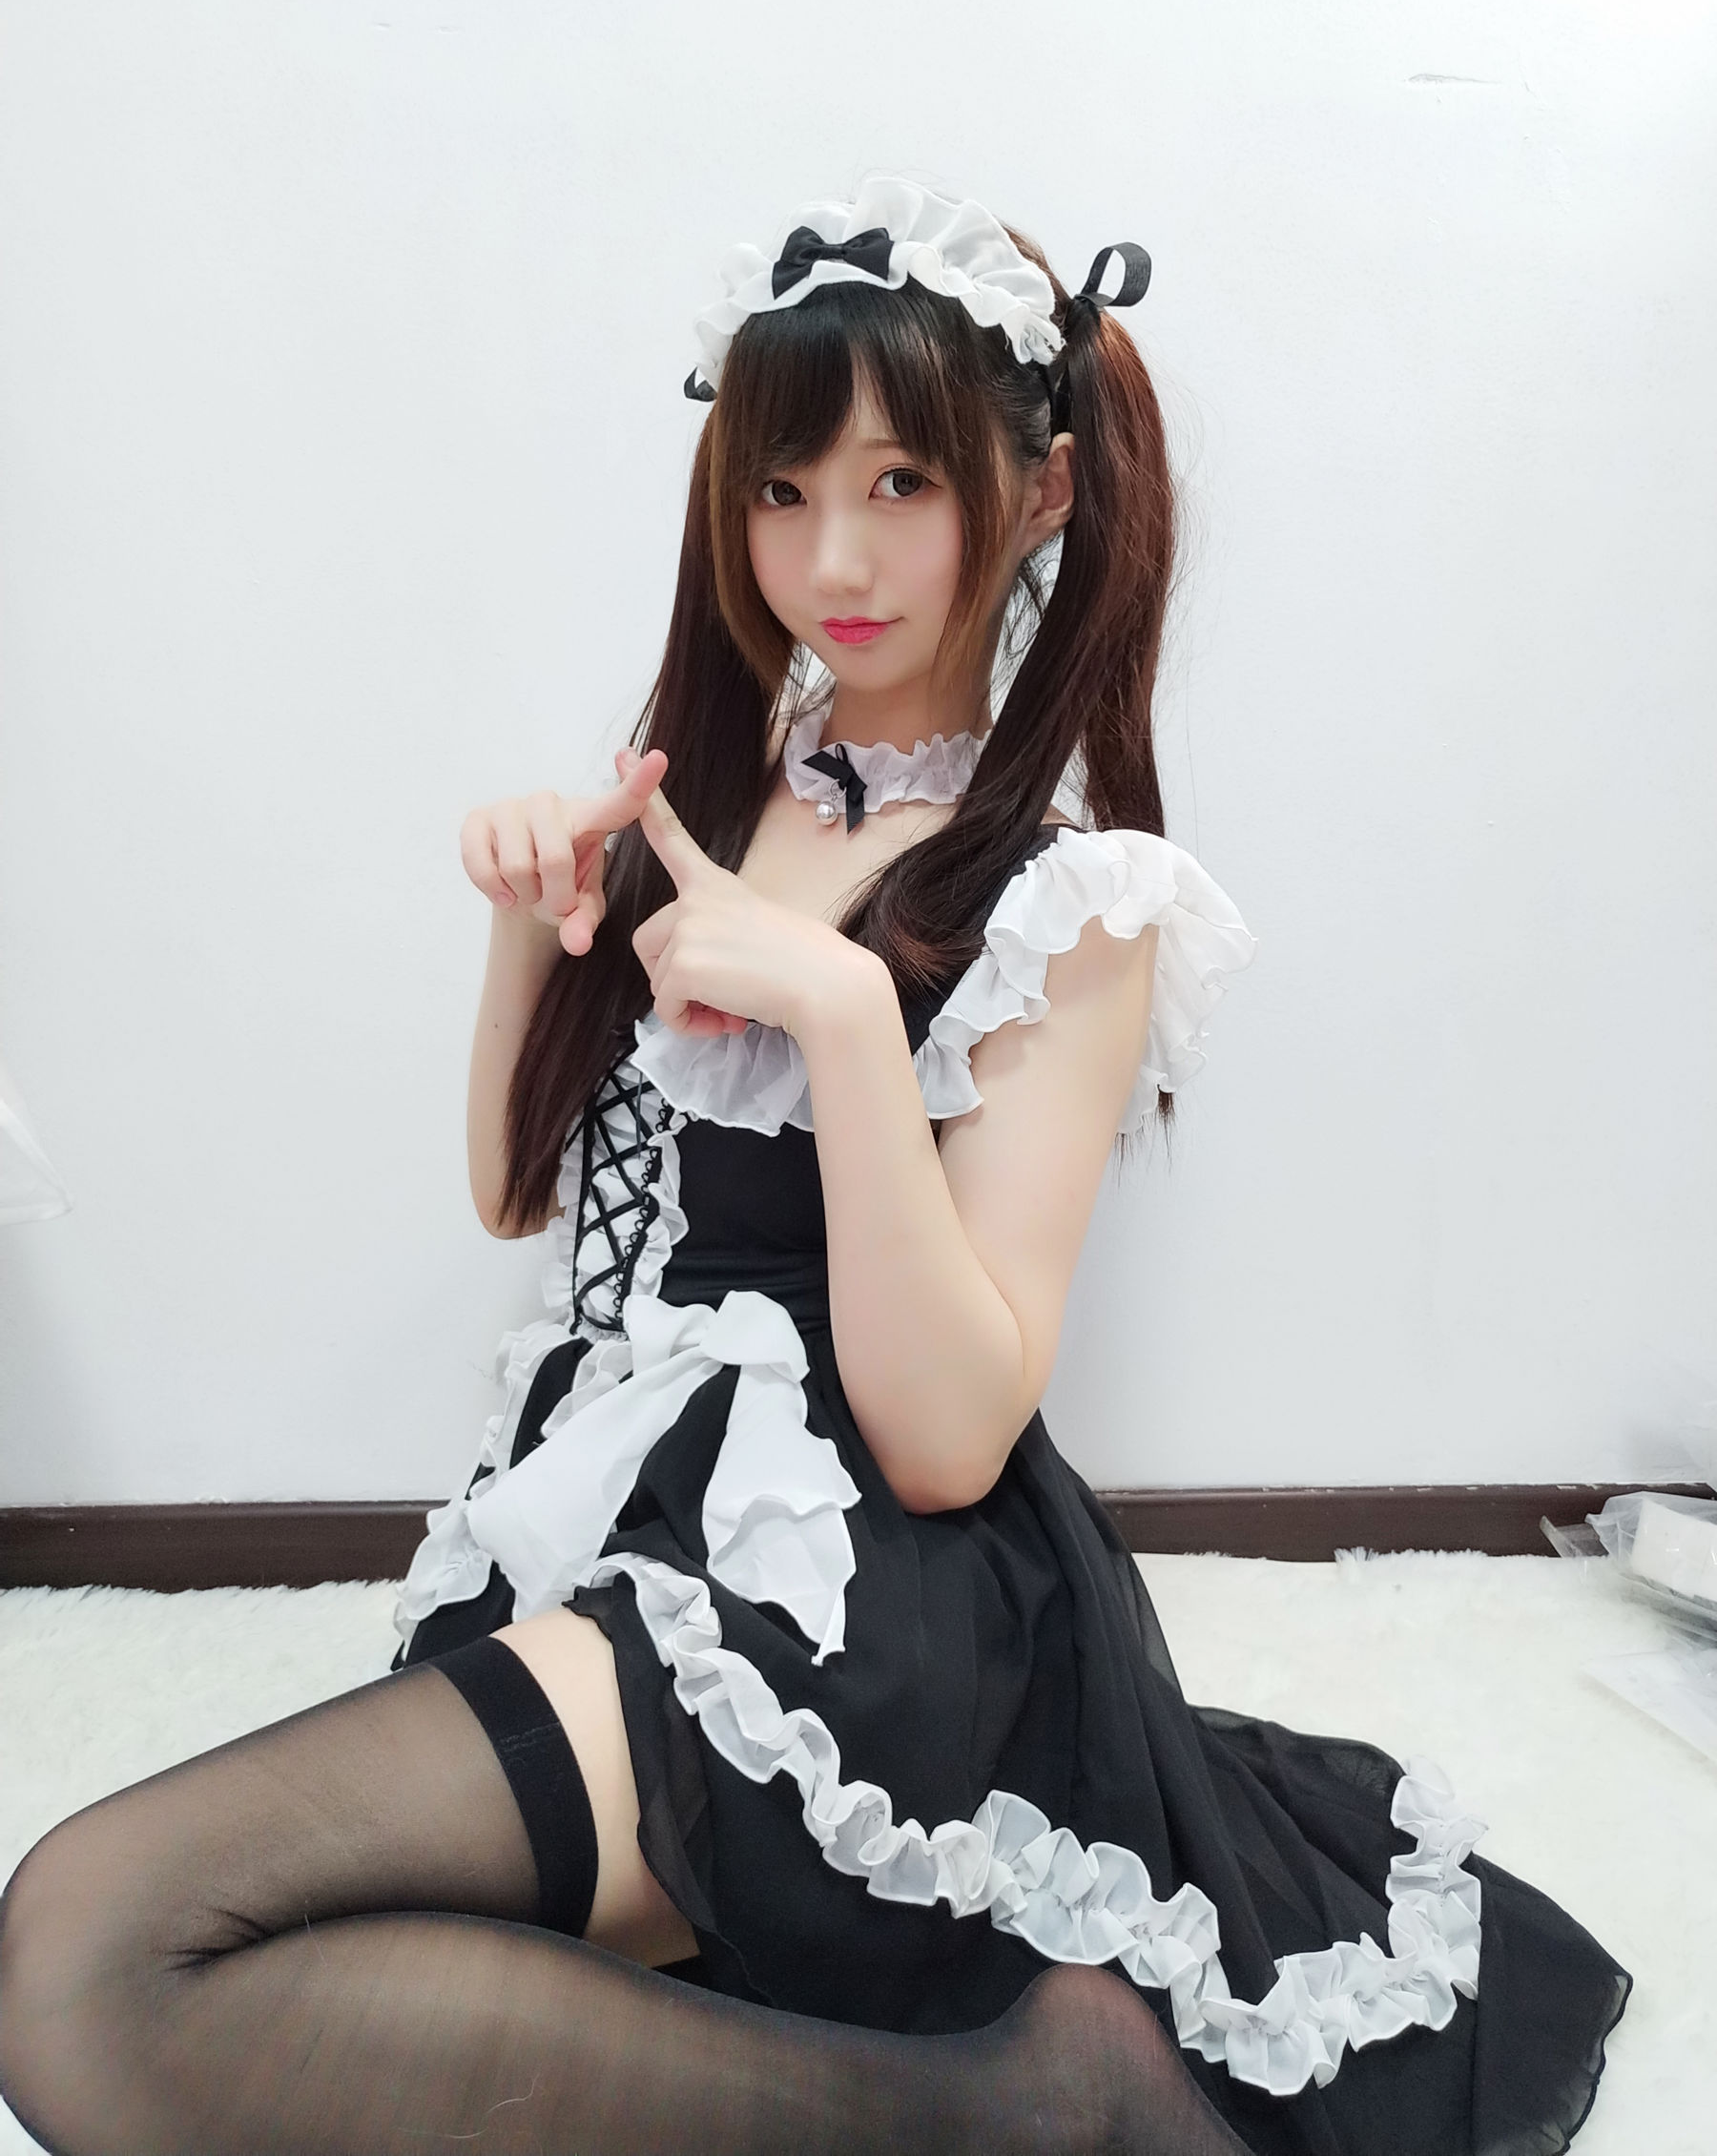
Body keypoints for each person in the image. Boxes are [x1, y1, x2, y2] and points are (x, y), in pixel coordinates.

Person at [0, 178, 1627, 2155]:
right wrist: (527, 930)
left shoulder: (1073, 901)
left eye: (898, 486)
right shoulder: (710, 796)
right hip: (629, 1536)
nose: (832, 558)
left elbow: (948, 1437)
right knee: (147, 1956)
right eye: (781, 491)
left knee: (98, 1955)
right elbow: (522, 1204)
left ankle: (1036, 2115)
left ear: (1038, 493)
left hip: (861, 1618)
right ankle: (1002, 2112)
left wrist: (850, 1022)